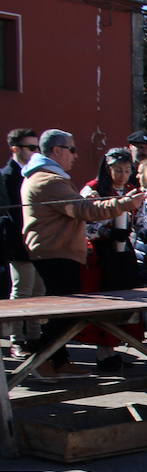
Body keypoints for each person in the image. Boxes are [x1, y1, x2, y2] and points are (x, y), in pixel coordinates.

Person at [20, 130, 145, 379]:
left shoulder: (49, 178)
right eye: (72, 149)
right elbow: (84, 209)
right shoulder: (48, 181)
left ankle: (59, 360)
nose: (75, 155)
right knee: (66, 314)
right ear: (56, 151)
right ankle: (42, 361)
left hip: (61, 251)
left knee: (65, 312)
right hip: (56, 254)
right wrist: (123, 204)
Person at [79, 148, 147, 373]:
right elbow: (86, 224)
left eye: (127, 170)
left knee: (126, 301)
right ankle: (103, 352)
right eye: (118, 170)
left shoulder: (132, 191)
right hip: (101, 253)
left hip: (123, 252)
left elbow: (142, 219)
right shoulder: (92, 190)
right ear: (107, 169)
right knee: (105, 302)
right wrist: (108, 231)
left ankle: (116, 347)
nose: (122, 175)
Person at [3, 129, 42, 357]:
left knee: (39, 291)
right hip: (18, 243)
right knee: (22, 291)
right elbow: (12, 215)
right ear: (15, 149)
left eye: (37, 147)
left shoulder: (33, 173)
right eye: (31, 147)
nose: (36, 151)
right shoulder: (7, 175)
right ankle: (17, 340)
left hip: (36, 243)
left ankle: (35, 337)